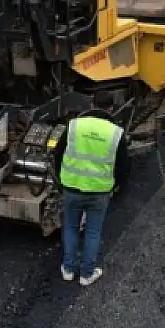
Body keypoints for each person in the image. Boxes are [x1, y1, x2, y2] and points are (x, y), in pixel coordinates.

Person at [52, 90, 129, 286]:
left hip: (72, 187)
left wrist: (61, 180)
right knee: (93, 232)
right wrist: (117, 186)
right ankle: (87, 274)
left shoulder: (74, 126)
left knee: (70, 227)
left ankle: (68, 269)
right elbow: (123, 165)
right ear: (111, 108)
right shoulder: (116, 133)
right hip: (99, 192)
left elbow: (58, 154)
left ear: (91, 104)